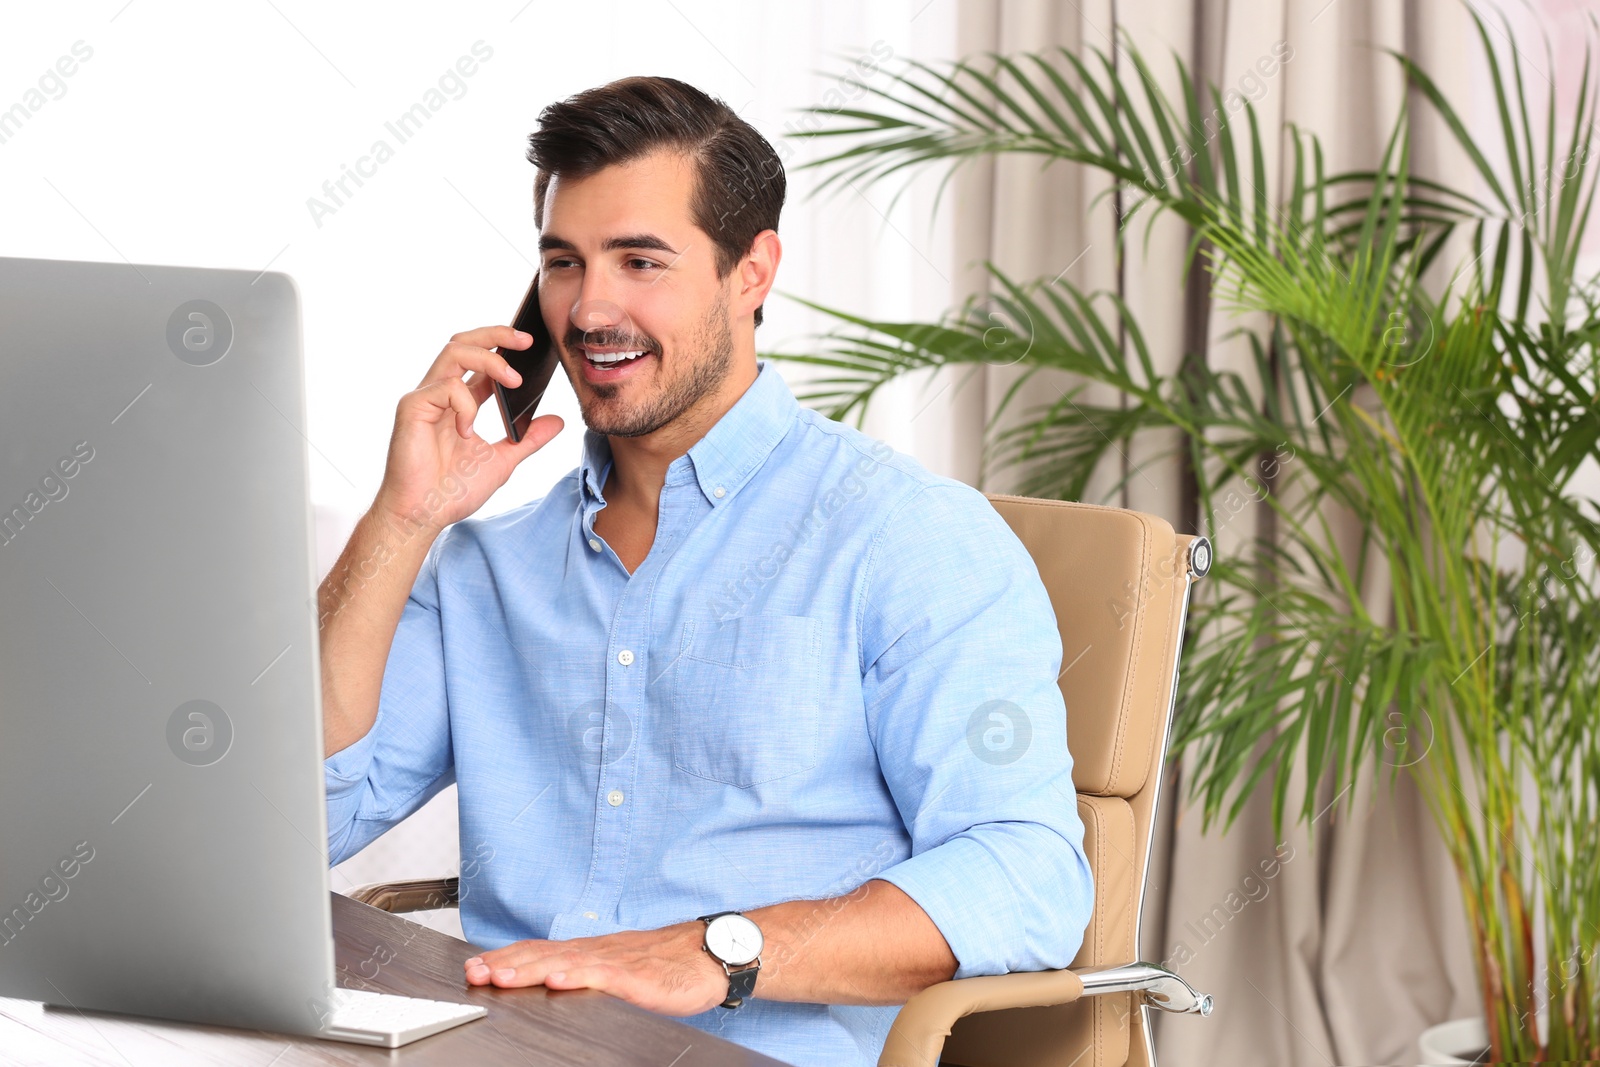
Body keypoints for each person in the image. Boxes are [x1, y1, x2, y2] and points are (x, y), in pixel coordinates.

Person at [319, 75, 1093, 1067]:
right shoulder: (488, 565)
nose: (591, 306)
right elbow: (304, 817)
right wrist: (402, 519)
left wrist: (716, 950)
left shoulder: (907, 538)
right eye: (564, 262)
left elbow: (1025, 880)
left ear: (752, 271)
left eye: (641, 260)